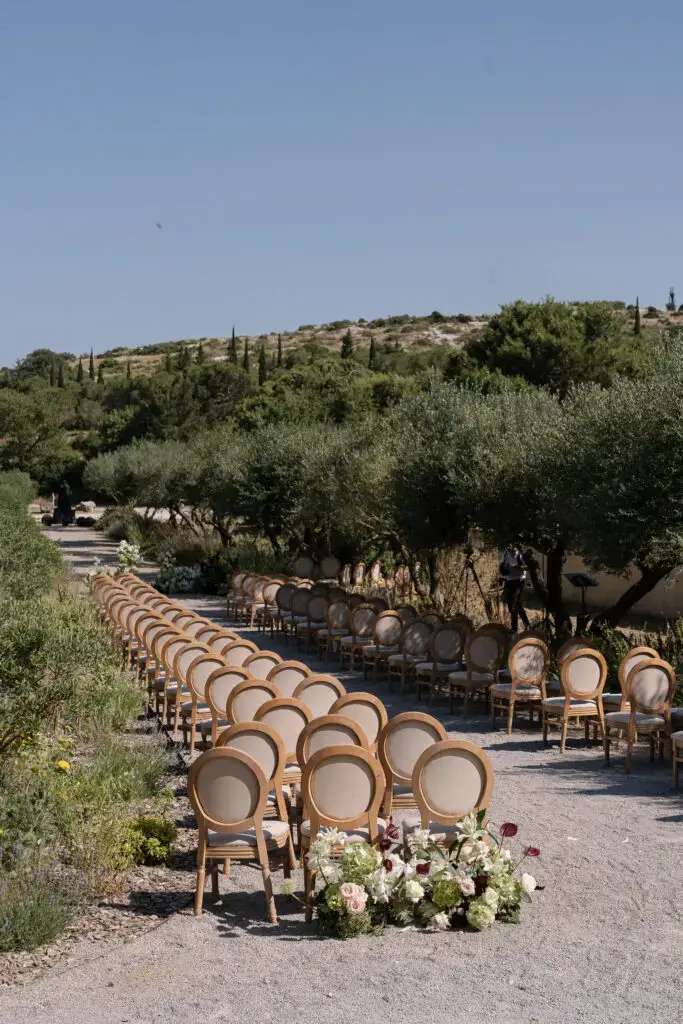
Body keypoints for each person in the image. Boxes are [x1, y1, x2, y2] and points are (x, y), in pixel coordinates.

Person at [500, 544, 530, 632]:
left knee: (514, 605)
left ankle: (514, 629)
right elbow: (503, 567)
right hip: (509, 582)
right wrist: (503, 576)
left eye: (511, 546)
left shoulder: (520, 555)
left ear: (515, 546)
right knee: (512, 605)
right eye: (508, 545)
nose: (509, 547)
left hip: (519, 582)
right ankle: (526, 623)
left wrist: (515, 566)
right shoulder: (505, 554)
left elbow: (527, 567)